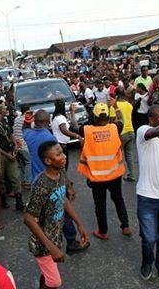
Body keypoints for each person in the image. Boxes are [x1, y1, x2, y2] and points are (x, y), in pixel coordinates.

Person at [24, 141, 88, 289]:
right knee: (54, 282)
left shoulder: (60, 174)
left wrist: (79, 223)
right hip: (43, 243)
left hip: (55, 236)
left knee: (48, 275)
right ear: (48, 161)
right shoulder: (41, 185)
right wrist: (51, 247)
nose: (64, 156)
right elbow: (28, 218)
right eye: (59, 154)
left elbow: (62, 198)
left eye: (63, 152)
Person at [77, 103, 131, 239]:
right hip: (114, 174)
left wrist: (72, 113)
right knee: (119, 199)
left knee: (100, 204)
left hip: (97, 177)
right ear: (107, 116)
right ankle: (126, 226)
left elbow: (74, 125)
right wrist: (116, 107)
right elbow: (121, 121)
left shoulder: (87, 130)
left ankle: (103, 231)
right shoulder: (114, 128)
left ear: (94, 117)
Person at [136, 105, 159, 282]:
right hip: (147, 198)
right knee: (149, 239)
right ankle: (147, 262)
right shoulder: (143, 132)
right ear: (151, 119)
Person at [0, 104, 24, 211]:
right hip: (0, 155)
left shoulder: (4, 122)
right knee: (1, 178)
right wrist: (7, 154)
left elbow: (10, 134)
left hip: (10, 152)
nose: (6, 110)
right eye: (3, 109)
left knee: (15, 177)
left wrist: (15, 145)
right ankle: (3, 200)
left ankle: (19, 201)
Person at [110, 87, 136, 181]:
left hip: (121, 133)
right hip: (131, 131)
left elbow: (111, 121)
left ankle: (119, 176)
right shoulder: (129, 105)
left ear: (116, 95)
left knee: (119, 156)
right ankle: (132, 175)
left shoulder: (114, 106)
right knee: (129, 154)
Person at [51, 99, 82, 171]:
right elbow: (64, 130)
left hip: (61, 145)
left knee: (62, 166)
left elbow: (74, 127)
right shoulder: (60, 118)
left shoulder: (56, 117)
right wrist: (77, 136)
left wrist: (72, 112)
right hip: (61, 146)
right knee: (63, 166)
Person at [13, 106, 33, 188]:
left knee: (21, 164)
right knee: (29, 162)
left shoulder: (17, 119)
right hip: (23, 144)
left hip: (17, 144)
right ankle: (28, 182)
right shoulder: (26, 119)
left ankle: (23, 181)